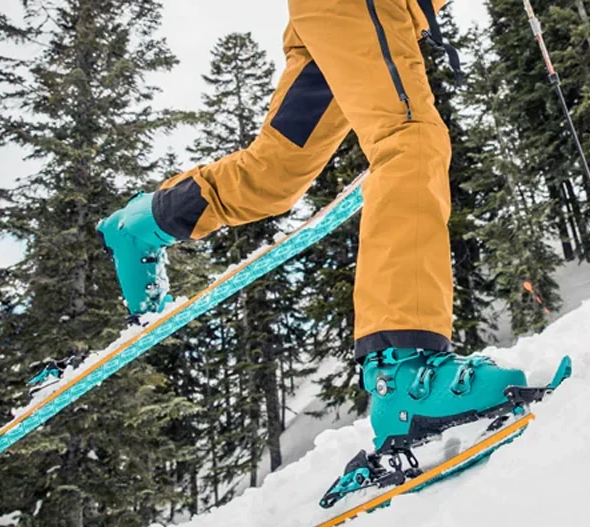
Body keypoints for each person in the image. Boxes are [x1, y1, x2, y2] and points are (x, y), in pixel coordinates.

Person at [97, 0, 526, 455]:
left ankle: (141, 224)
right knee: (410, 137)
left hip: (337, 19)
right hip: (362, 8)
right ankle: (405, 374)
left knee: (275, 173)